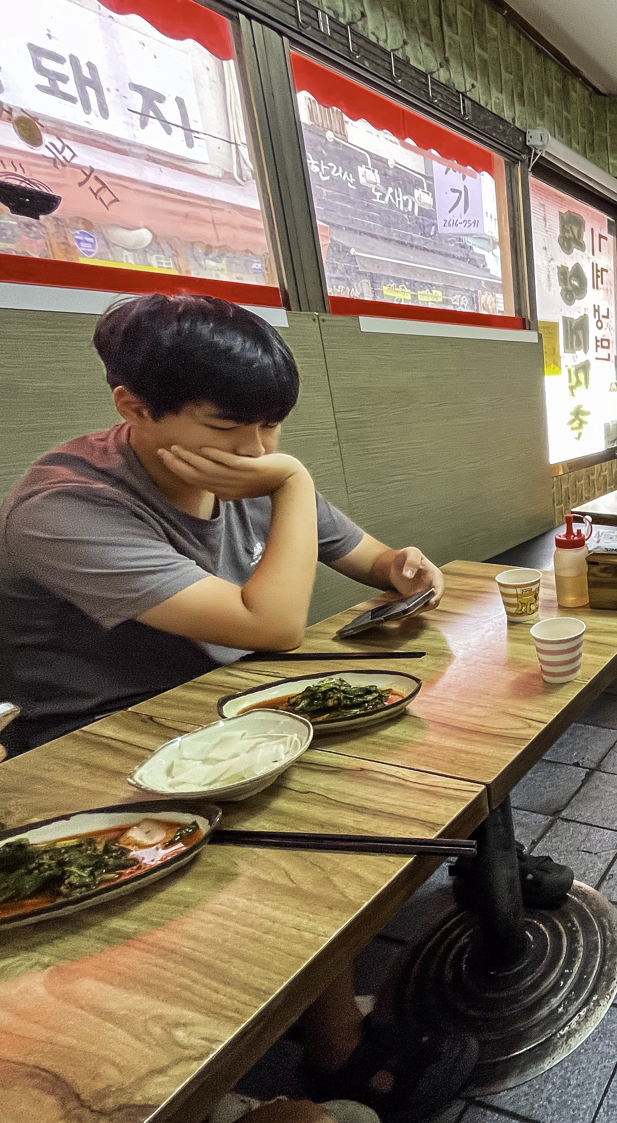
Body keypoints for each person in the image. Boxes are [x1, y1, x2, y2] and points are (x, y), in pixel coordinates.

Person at [0, 293, 474, 1120]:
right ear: (132, 408)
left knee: (369, 790)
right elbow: (276, 624)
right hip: (95, 753)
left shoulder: (247, 469)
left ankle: (334, 1042)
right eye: (229, 428)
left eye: (272, 429)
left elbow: (362, 555)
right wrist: (291, 476)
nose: (255, 451)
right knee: (288, 840)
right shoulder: (64, 504)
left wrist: (402, 566)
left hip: (218, 716)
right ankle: (272, 1067)